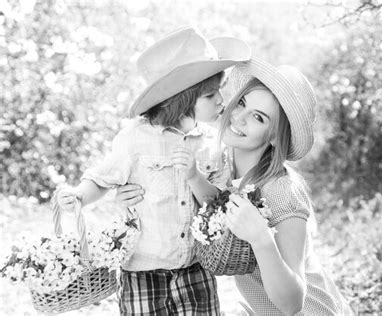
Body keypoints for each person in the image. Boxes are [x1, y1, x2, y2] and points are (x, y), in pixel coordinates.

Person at [117, 58, 353, 315]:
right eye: (241, 103)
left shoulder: (282, 191)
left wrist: (261, 239)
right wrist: (136, 193)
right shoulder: (217, 168)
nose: (238, 117)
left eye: (258, 118)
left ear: (274, 136)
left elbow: (292, 302)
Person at [56, 26, 251, 315]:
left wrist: (195, 177)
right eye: (211, 95)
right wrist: (79, 197)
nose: (221, 101)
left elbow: (218, 203)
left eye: (219, 91)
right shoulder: (135, 138)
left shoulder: (211, 143)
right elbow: (103, 178)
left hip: (194, 270)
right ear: (183, 98)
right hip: (141, 271)